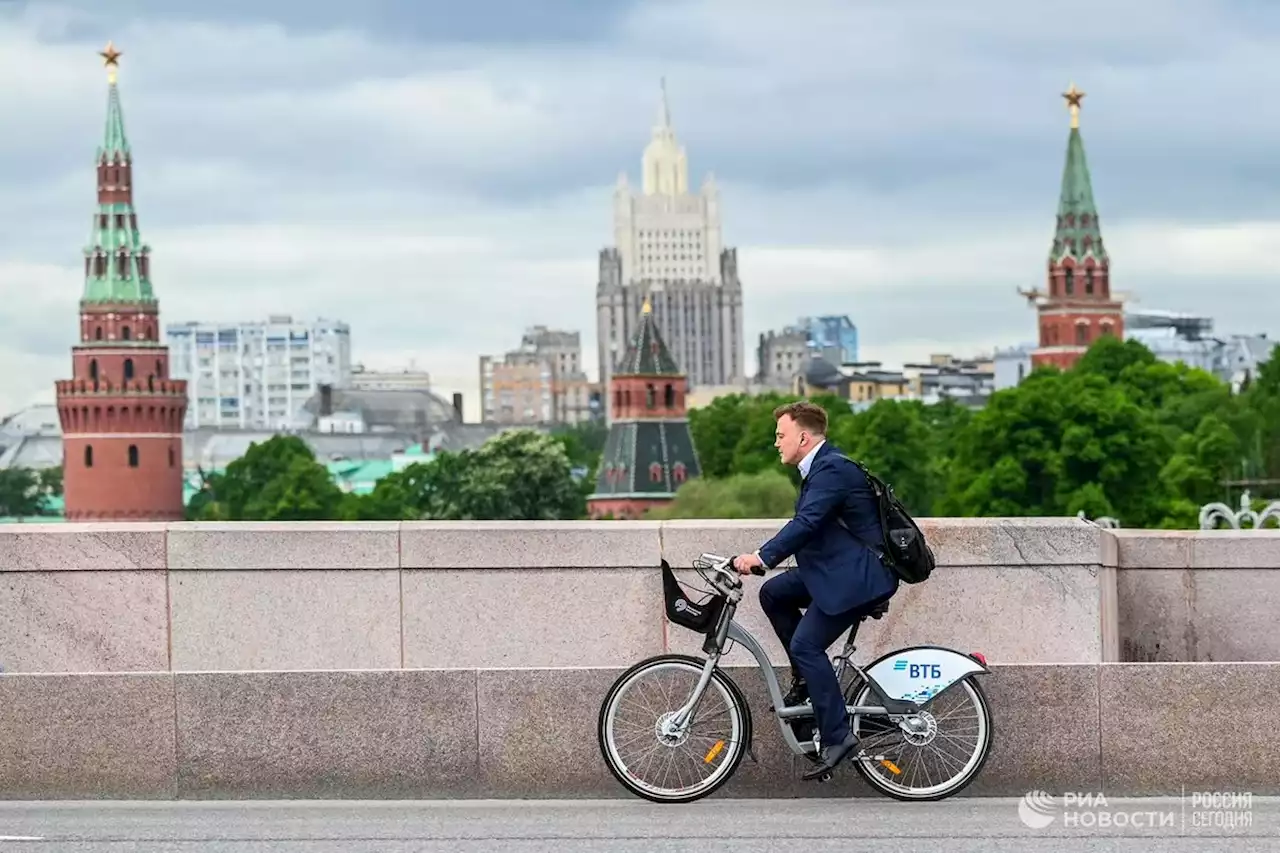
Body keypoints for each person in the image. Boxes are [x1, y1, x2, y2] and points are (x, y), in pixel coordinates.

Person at [732, 400, 899, 780]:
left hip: (858, 578)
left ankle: (838, 736)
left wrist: (761, 556)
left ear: (803, 437)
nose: (776, 443)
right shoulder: (821, 469)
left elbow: (806, 523)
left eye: (781, 435)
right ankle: (808, 683)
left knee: (806, 646)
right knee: (774, 594)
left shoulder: (832, 469)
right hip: (836, 571)